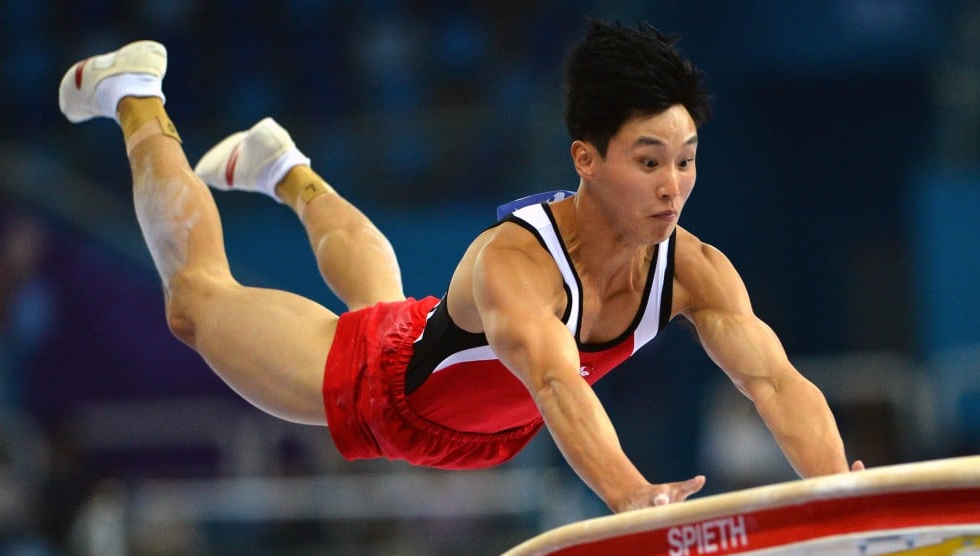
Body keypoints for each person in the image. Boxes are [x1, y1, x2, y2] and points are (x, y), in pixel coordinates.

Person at [58, 20, 861, 514]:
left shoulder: (697, 270)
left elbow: (774, 382)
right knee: (194, 305)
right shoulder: (519, 263)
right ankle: (137, 95)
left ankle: (288, 173)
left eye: (686, 161)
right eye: (649, 162)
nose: (673, 186)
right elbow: (555, 385)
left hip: (462, 404)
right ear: (585, 157)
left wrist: (838, 493)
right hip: (375, 383)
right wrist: (629, 494)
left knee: (389, 300)